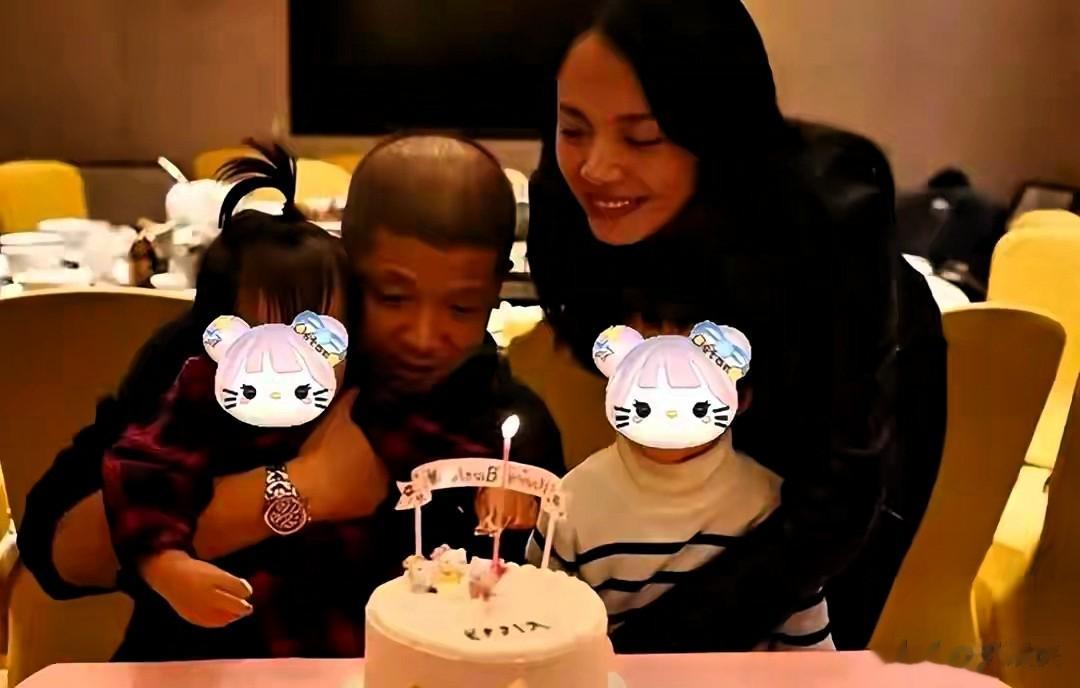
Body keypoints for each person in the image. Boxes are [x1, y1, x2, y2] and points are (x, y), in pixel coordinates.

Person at [18, 134, 562, 660]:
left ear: (497, 291)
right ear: (347, 266)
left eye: (462, 308)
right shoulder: (222, 359)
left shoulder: (498, 423)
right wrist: (302, 487)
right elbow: (57, 554)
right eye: (392, 297)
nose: (423, 335)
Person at [511, 0, 946, 651]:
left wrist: (636, 658)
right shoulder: (562, 199)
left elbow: (837, 498)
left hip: (829, 421)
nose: (595, 167)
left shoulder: (830, 210)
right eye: (573, 128)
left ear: (718, 131)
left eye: (643, 137)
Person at [528, 324, 834, 651]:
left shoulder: (771, 501)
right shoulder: (573, 498)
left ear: (740, 394)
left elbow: (808, 652)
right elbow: (542, 628)